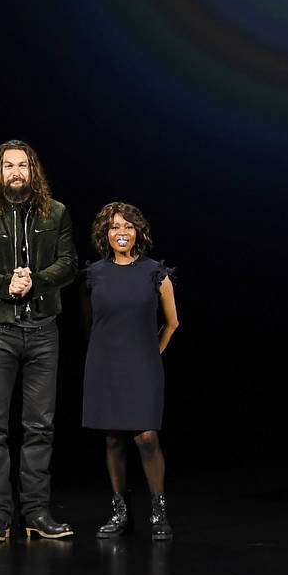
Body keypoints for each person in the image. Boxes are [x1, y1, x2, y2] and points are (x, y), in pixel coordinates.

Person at [0, 140, 81, 541]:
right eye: (8, 166)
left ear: (33, 172)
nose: (15, 172)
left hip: (43, 332)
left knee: (39, 428)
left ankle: (36, 513)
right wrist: (4, 285)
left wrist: (36, 281)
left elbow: (69, 263)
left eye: (22, 166)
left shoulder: (56, 212)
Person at [81, 202, 179, 539]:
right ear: (104, 234)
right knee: (112, 439)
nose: (121, 232)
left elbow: (172, 323)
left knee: (147, 438)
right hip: (104, 366)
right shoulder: (93, 274)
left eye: (128, 226)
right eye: (114, 227)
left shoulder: (155, 272)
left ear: (138, 232)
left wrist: (152, 354)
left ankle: (158, 514)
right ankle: (121, 514)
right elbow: (91, 323)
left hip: (143, 367)